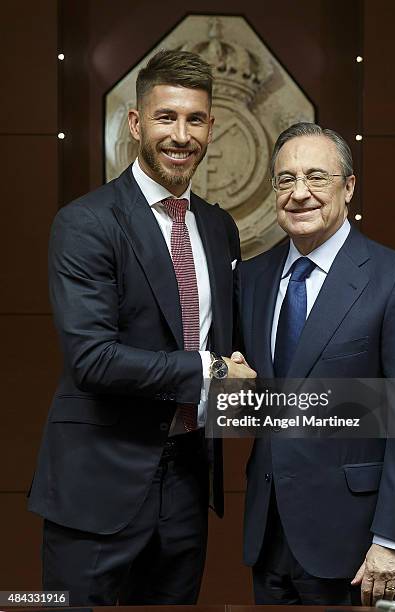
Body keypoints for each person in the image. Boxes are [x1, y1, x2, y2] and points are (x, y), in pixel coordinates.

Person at [28, 49, 255, 606]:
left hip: (187, 480)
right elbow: (93, 359)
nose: (182, 135)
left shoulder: (219, 227)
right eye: (166, 117)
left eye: (195, 119)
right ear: (136, 124)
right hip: (96, 485)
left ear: (210, 128)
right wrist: (211, 369)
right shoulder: (86, 223)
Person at [235, 122, 395, 606]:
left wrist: (394, 541)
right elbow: (254, 407)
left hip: (362, 550)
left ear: (348, 186)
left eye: (316, 177)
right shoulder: (253, 278)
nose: (299, 193)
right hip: (269, 541)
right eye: (285, 180)